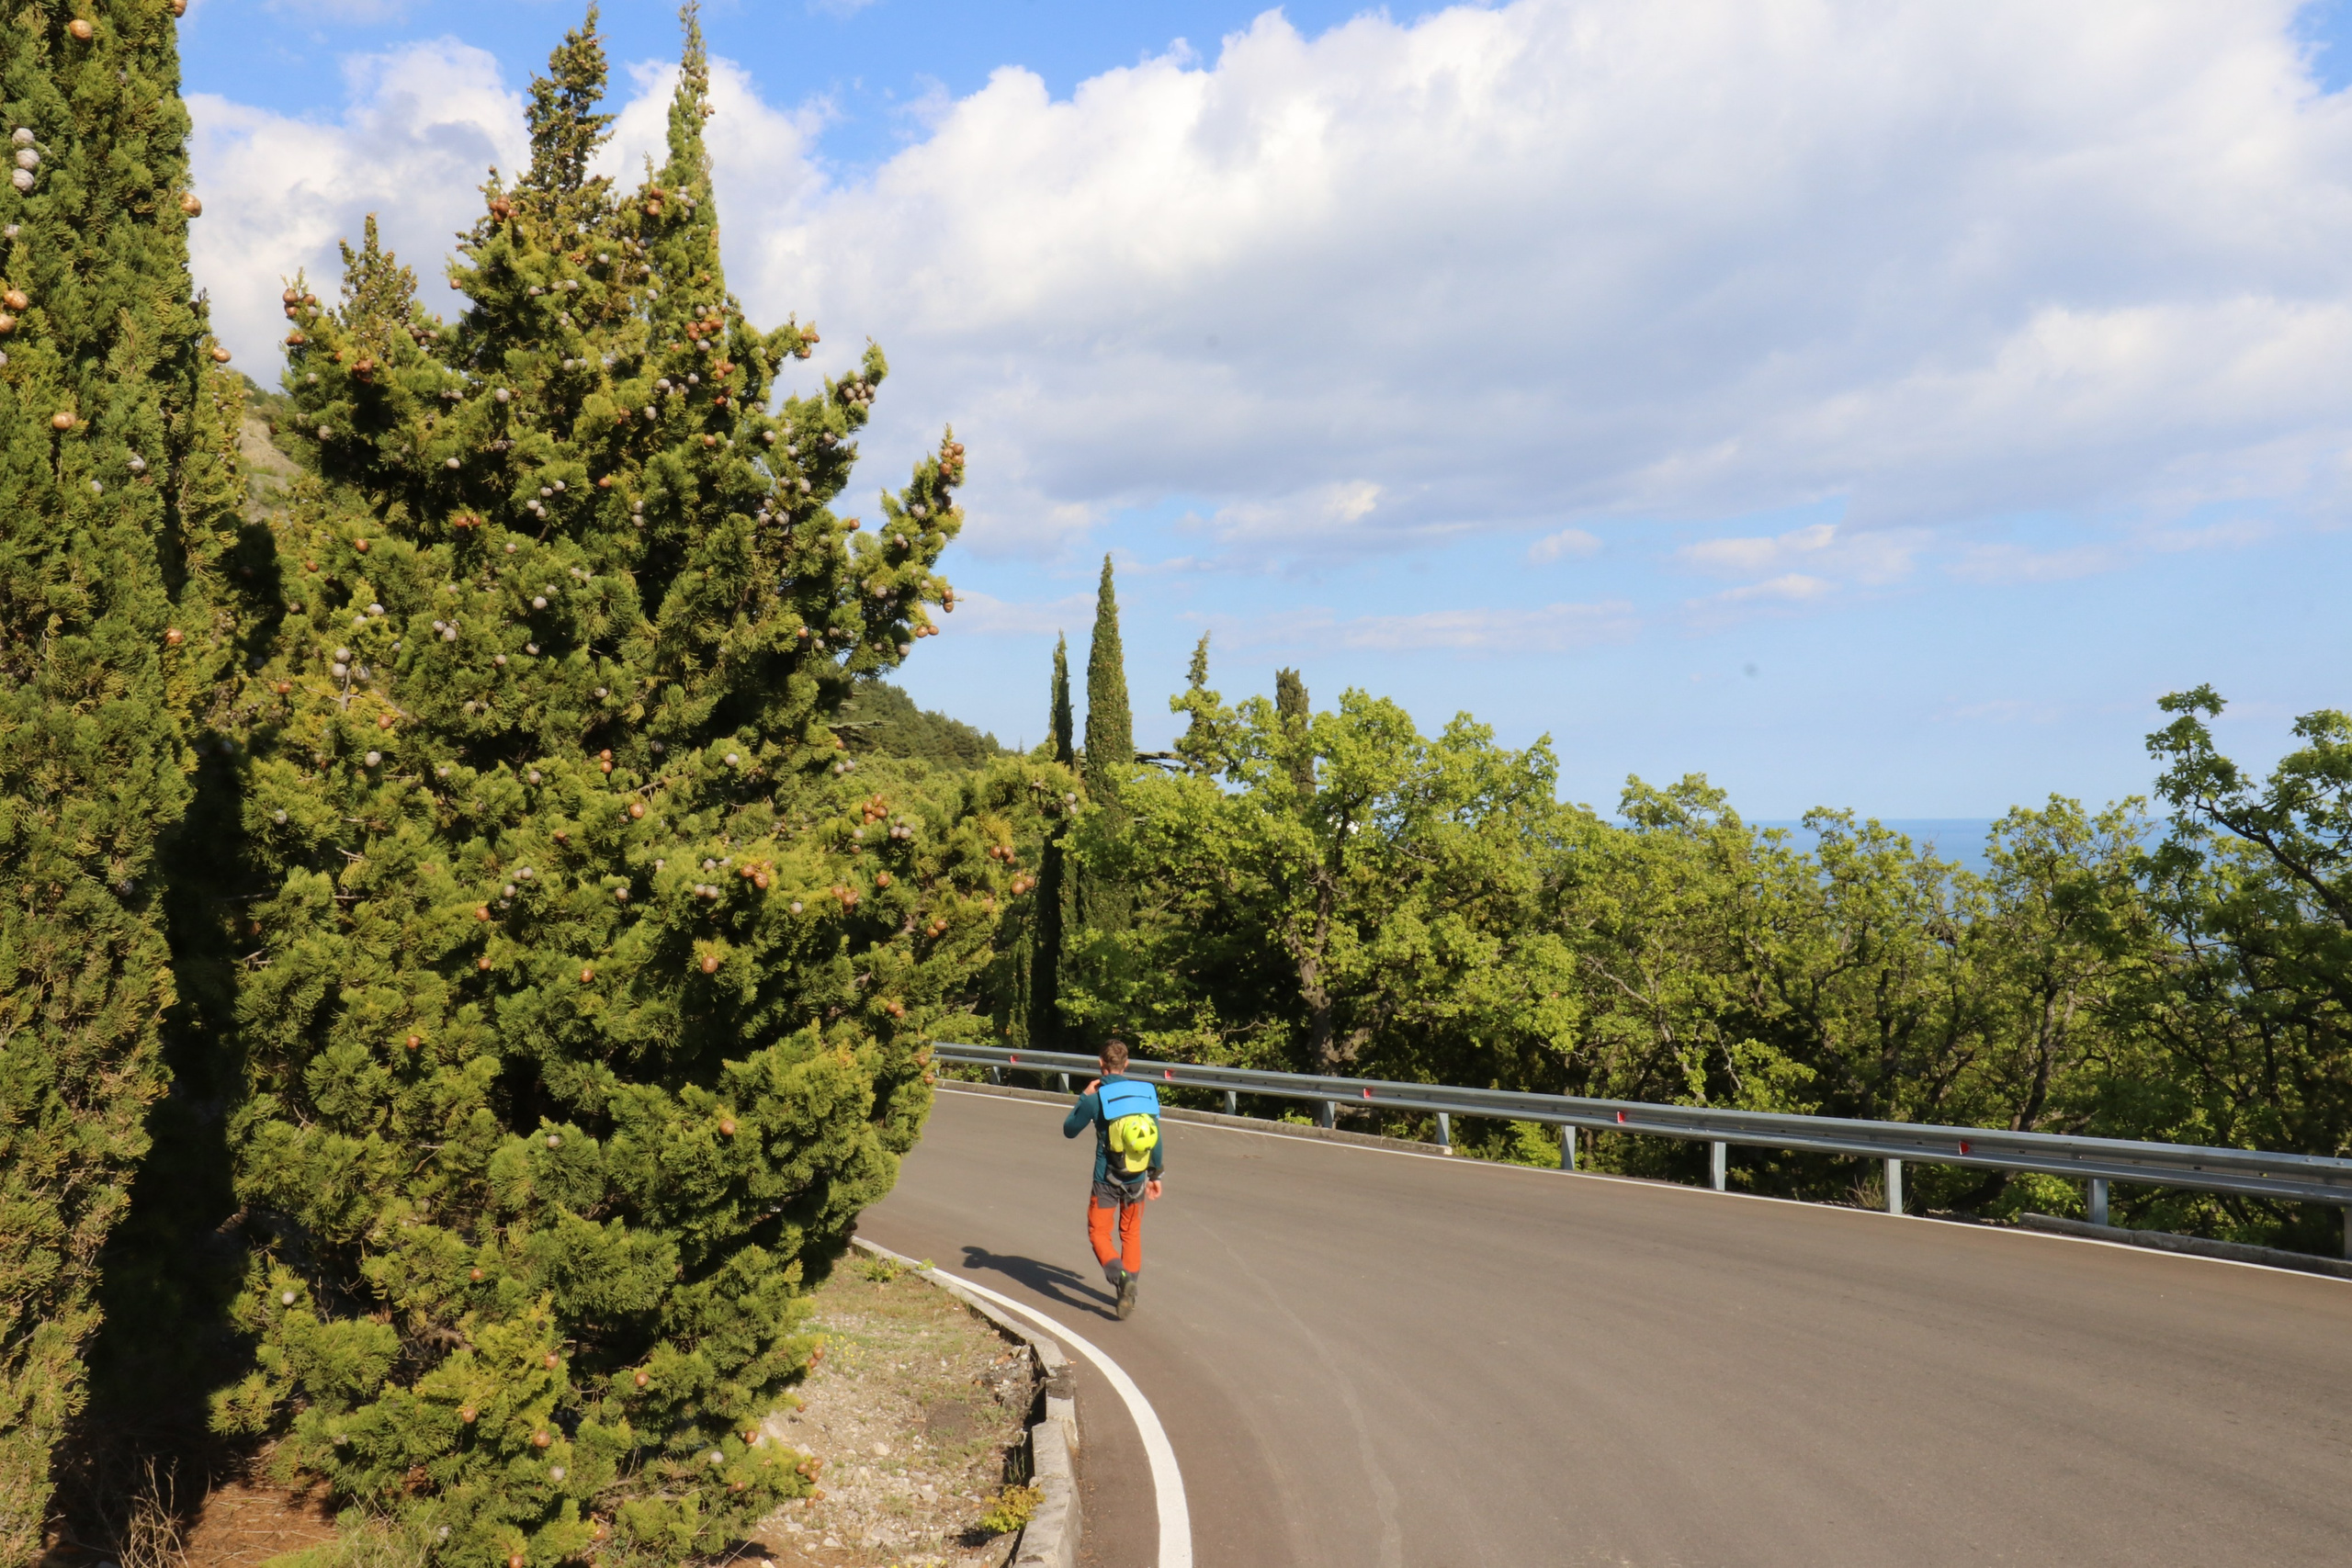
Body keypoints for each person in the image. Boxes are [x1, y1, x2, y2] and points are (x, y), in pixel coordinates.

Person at [1063, 1039, 1164, 1319]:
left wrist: (1084, 1096)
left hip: (1105, 1180)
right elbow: (1155, 1139)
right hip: (1138, 1178)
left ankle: (1121, 1279)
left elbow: (1070, 1129)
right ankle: (1126, 1292)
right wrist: (1155, 1174)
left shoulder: (1097, 1099)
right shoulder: (1145, 1095)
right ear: (1127, 1064)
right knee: (1130, 1233)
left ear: (1101, 1064)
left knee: (1098, 1233)